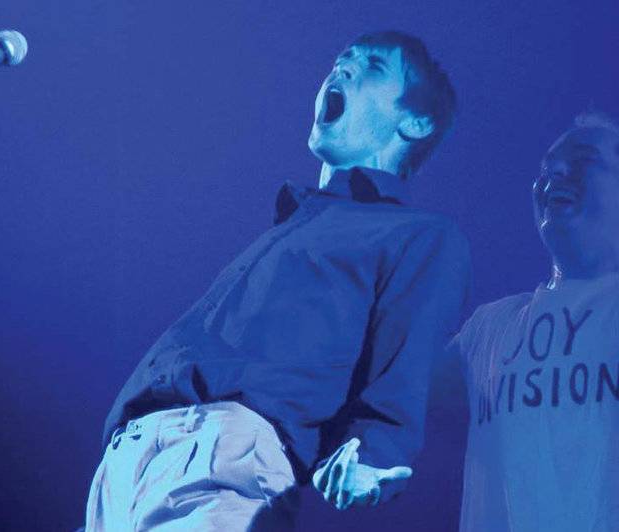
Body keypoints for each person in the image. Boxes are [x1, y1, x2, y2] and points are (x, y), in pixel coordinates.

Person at [85, 31, 471, 531]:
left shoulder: (418, 234)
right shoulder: (290, 227)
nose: (342, 69)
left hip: (223, 459)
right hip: (123, 466)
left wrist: (375, 453)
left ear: (416, 122)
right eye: (341, 60)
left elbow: (407, 360)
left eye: (373, 67)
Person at [453, 111, 619, 532]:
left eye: (584, 159)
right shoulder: (487, 328)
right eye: (546, 169)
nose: (555, 174)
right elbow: (392, 386)